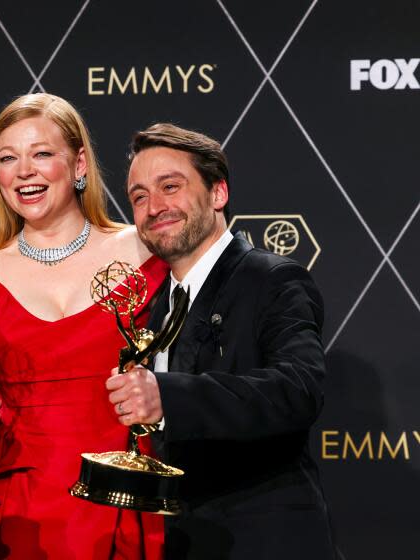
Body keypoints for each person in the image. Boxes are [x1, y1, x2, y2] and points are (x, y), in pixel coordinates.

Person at [0, 93, 168, 559]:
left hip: (119, 496)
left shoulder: (144, 251)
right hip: (14, 510)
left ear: (79, 163)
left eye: (41, 154)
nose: (24, 171)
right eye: (8, 158)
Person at [105, 123, 337, 558]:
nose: (154, 207)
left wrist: (167, 396)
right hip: (177, 539)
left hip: (261, 539)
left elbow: (299, 389)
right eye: (139, 196)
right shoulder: (150, 304)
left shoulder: (272, 278)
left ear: (218, 194)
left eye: (170, 186)